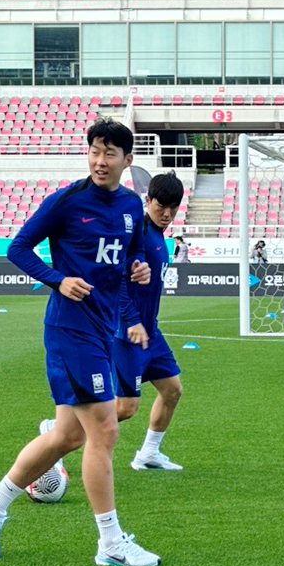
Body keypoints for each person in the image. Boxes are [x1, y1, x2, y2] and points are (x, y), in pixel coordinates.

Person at [0, 118, 158, 566]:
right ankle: (110, 543)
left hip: (101, 329)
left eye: (110, 153)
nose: (99, 160)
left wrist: (138, 270)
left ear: (128, 160)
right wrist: (58, 279)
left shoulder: (131, 206)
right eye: (94, 150)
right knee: (105, 430)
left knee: (69, 435)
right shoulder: (68, 201)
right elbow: (18, 247)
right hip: (70, 330)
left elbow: (127, 260)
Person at [113, 172, 185, 471]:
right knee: (125, 408)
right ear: (148, 201)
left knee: (172, 390)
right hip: (127, 331)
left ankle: (148, 453)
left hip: (150, 331)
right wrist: (130, 320)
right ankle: (58, 427)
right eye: (160, 206)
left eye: (173, 208)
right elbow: (115, 280)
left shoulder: (159, 236)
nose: (167, 214)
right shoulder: (137, 233)